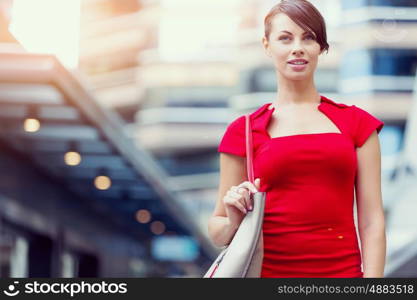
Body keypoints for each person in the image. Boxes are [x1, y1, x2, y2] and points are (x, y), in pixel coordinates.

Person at [207, 0, 386, 278]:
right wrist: (233, 215)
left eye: (309, 37)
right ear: (267, 45)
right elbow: (218, 231)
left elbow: (372, 221)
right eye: (285, 38)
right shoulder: (243, 130)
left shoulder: (357, 124)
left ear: (321, 48)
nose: (297, 47)